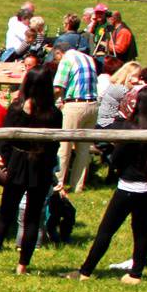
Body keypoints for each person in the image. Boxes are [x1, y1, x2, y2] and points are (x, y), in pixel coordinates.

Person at [71, 83, 147, 283]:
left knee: (106, 230)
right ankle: (136, 273)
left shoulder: (130, 129)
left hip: (129, 186)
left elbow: (117, 158)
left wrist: (115, 165)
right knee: (140, 230)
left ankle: (86, 271)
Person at [0, 67, 61, 274]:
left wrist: (8, 161)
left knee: (5, 215)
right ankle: (21, 266)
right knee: (32, 218)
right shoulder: (53, 113)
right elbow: (54, 144)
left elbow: (6, 138)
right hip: (40, 165)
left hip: (18, 163)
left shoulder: (17, 109)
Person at [52, 37, 100, 192]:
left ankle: (58, 184)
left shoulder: (66, 60)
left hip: (75, 106)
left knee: (64, 147)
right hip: (93, 105)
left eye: (55, 57)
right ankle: (77, 186)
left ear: (59, 53)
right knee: (83, 149)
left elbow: (58, 88)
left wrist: (46, 100)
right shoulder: (88, 58)